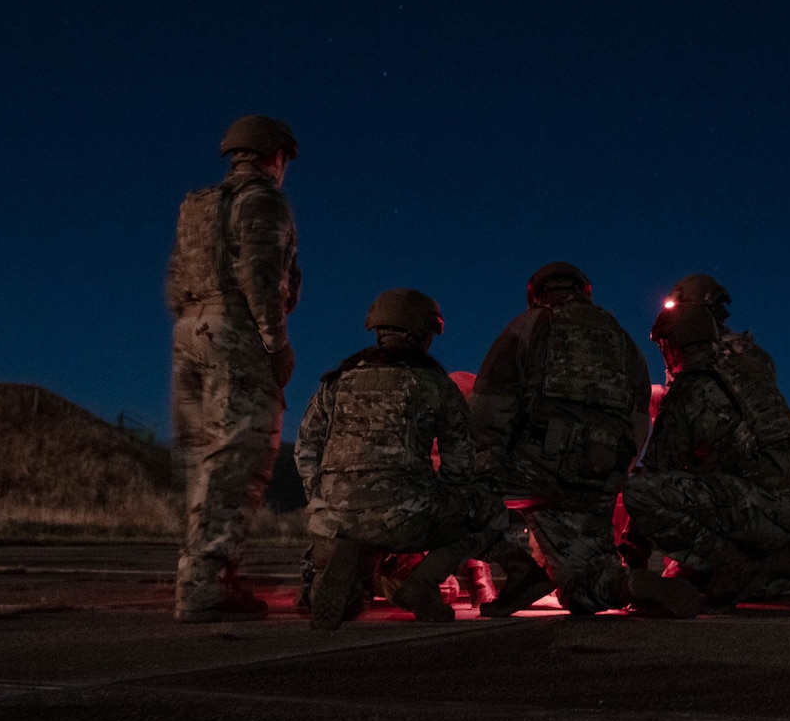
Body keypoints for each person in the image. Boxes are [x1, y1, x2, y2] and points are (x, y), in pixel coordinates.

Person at [471, 262, 700, 618]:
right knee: (581, 580)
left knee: (451, 494)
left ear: (535, 294)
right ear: (585, 292)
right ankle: (623, 584)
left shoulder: (529, 326)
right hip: (600, 476)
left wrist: (487, 462)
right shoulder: (622, 340)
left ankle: (520, 569)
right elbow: (639, 418)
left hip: (537, 470)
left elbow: (491, 404)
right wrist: (614, 474)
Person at [294, 289, 518, 628]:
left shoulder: (336, 381)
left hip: (335, 519)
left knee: (348, 597)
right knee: (490, 514)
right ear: (424, 333)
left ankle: (344, 565)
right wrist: (441, 497)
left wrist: (322, 497)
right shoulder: (435, 384)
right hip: (405, 518)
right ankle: (421, 584)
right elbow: (460, 460)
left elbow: (306, 447)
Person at [624, 297, 790, 609]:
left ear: (671, 345)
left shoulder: (690, 389)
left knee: (639, 492)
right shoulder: (749, 376)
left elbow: (659, 471)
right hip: (788, 508)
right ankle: (786, 555)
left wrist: (632, 553)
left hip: (750, 509)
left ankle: (732, 564)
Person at [166, 114, 301, 623]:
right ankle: (206, 583)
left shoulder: (196, 206)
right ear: (276, 155)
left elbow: (177, 274)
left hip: (188, 329)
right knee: (238, 456)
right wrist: (275, 343)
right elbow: (260, 276)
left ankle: (197, 574)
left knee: (200, 460)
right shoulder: (262, 200)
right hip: (234, 330)